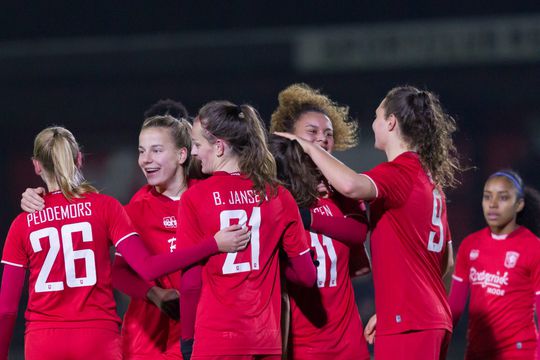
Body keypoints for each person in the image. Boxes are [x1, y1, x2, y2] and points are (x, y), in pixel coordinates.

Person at [0, 126, 248, 360]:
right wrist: (213, 245)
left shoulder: (23, 224)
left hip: (44, 341)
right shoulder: (105, 208)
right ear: (79, 159)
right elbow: (147, 268)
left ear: (36, 166)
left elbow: (6, 309)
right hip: (97, 337)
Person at [277, 85, 460, 360]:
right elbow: (446, 262)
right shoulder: (429, 180)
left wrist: (304, 145)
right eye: (312, 133)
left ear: (390, 122)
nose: (372, 124)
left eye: (376, 116)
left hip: (407, 324)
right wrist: (393, 310)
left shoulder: (399, 172)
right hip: (428, 319)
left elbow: (351, 186)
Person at [178, 101, 317, 360]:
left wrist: (187, 340)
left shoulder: (194, 198)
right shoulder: (279, 195)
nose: (194, 152)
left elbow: (190, 283)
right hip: (266, 338)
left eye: (197, 145)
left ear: (219, 147)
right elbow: (307, 276)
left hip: (217, 338)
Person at [269, 83, 370, 360]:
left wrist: (307, 217)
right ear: (291, 138)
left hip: (348, 340)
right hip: (300, 341)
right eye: (311, 133)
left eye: (328, 134)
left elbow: (358, 232)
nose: (323, 139)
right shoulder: (275, 192)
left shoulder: (343, 189)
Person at [449, 170, 540, 360]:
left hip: (519, 351)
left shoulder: (533, 247)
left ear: (519, 204)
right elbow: (455, 307)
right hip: (476, 351)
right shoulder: (470, 245)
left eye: (503, 197)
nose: (493, 204)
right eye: (487, 197)